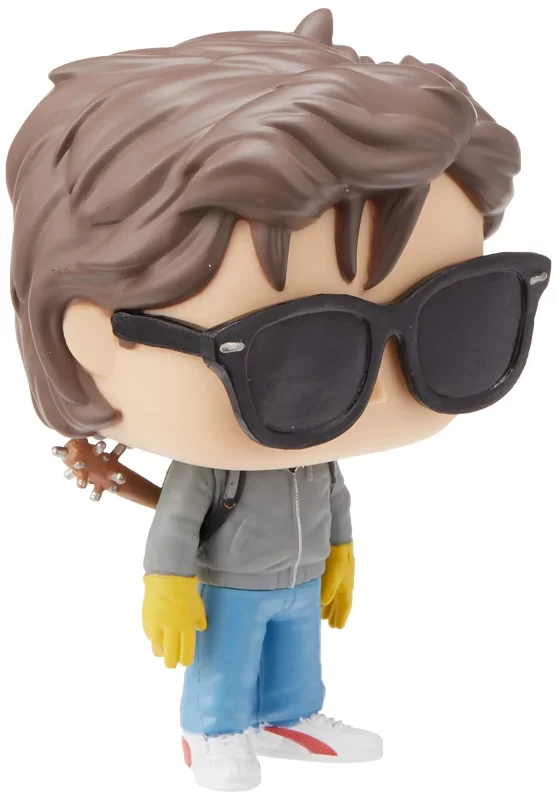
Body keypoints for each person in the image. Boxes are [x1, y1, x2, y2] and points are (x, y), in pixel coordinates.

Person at [7, 7, 550, 793]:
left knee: (297, 655)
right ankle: (213, 728)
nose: (378, 387)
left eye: (453, 316)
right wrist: (167, 582)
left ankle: (290, 715)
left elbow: (332, 495)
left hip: (297, 578)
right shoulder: (215, 466)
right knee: (227, 660)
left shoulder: (313, 450)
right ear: (92, 337)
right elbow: (178, 520)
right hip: (230, 586)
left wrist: (341, 551)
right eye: (299, 350)